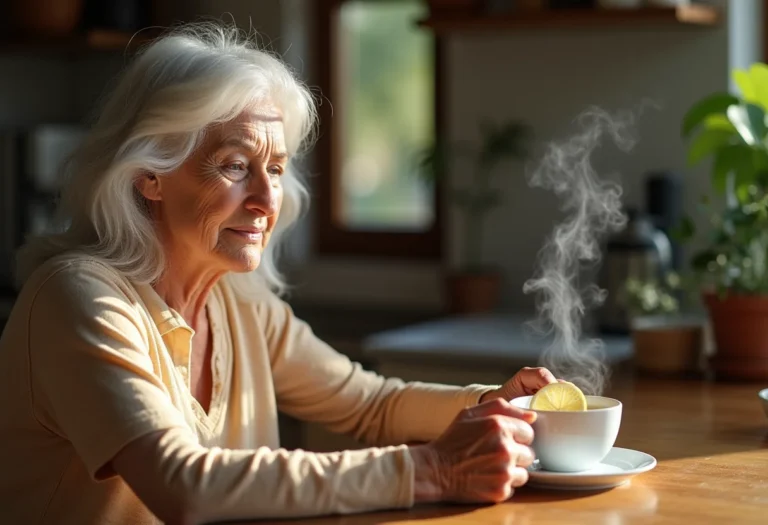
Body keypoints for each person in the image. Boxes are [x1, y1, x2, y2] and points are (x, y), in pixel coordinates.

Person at [0, 23, 559, 525]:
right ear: (151, 175)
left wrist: (493, 404)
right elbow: (181, 486)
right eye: (237, 166)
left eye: (275, 168)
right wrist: (431, 470)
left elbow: (371, 404)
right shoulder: (76, 297)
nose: (269, 199)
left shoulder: (238, 299)